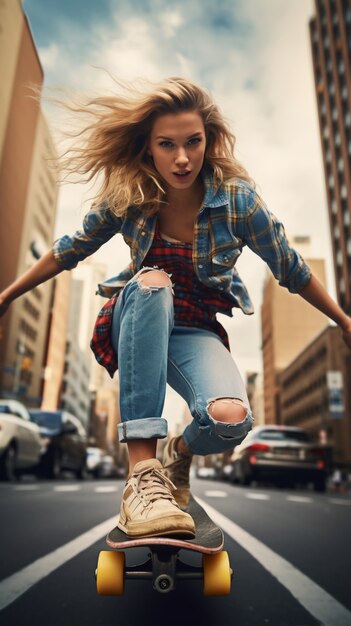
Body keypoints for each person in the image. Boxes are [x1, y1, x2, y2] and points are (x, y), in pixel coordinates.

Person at [1, 77, 351, 538]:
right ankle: (142, 477)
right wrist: (7, 295)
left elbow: (291, 268)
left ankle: (178, 455)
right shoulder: (129, 195)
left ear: (209, 140)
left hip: (193, 329)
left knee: (230, 420)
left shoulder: (239, 203)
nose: (182, 158)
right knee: (151, 284)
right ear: (149, 148)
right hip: (140, 315)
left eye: (193, 142)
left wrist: (343, 321)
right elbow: (70, 249)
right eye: (167, 145)